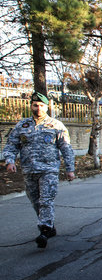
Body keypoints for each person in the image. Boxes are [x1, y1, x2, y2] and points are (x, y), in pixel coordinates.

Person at [3, 92, 75, 248]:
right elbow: (11, 145)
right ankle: (50, 226)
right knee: (35, 201)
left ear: (46, 106)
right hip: (29, 170)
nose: (38, 108)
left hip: (49, 169)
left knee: (45, 200)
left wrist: (70, 169)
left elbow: (66, 148)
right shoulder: (22, 126)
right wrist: (10, 161)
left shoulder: (56, 125)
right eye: (35, 105)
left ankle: (44, 230)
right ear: (31, 106)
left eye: (41, 105)